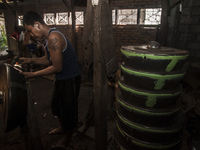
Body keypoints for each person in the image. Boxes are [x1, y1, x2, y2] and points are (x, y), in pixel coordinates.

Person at [20, 11, 81, 147]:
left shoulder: (54, 37)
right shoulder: (48, 39)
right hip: (61, 78)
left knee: (68, 110)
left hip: (70, 78)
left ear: (37, 24)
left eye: (30, 30)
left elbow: (57, 67)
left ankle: (68, 138)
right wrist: (30, 60)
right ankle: (62, 128)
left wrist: (32, 75)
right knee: (57, 107)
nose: (31, 34)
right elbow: (48, 59)